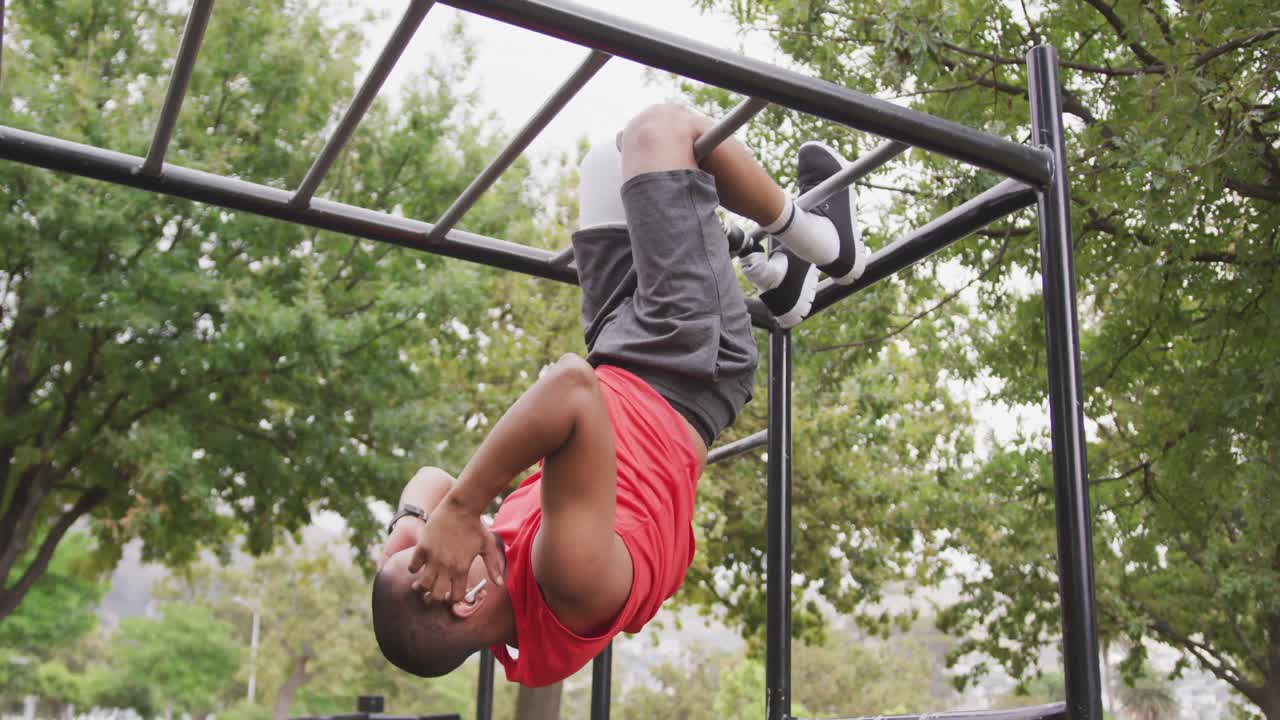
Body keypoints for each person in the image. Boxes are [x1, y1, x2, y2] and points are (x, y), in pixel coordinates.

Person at [370, 103, 864, 687]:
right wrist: (459, 510)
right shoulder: (568, 584)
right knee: (662, 130)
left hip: (622, 351)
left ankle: (787, 283)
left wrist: (411, 526)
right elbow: (571, 389)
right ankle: (824, 244)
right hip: (686, 370)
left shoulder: (488, 573)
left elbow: (429, 479)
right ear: (465, 600)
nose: (430, 547)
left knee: (607, 161)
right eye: (428, 561)